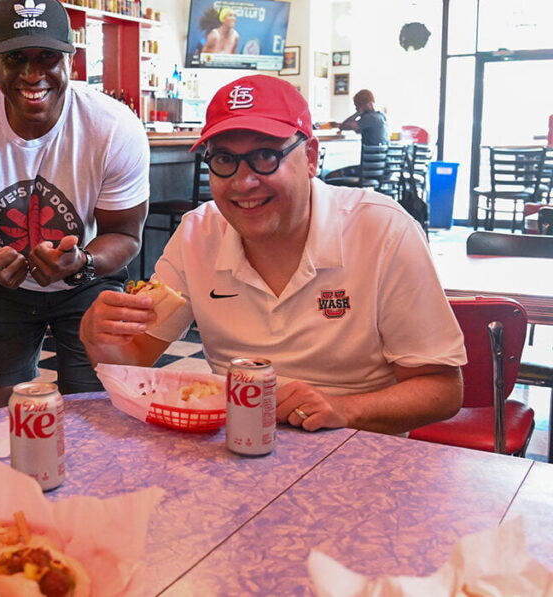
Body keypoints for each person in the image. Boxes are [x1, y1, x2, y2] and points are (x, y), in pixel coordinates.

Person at [80, 75, 466, 436]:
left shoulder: (383, 231)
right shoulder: (198, 233)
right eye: (224, 160)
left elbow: (442, 389)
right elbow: (135, 360)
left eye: (266, 156)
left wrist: (344, 409)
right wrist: (97, 336)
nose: (243, 182)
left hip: (358, 450)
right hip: (240, 446)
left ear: (311, 157)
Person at [0, 0, 149, 412]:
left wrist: (81, 262)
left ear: (69, 57)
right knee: (1, 417)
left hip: (90, 280)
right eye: (16, 58)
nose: (32, 75)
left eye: (47, 57)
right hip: (3, 285)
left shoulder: (113, 127)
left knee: (93, 410)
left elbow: (125, 235)